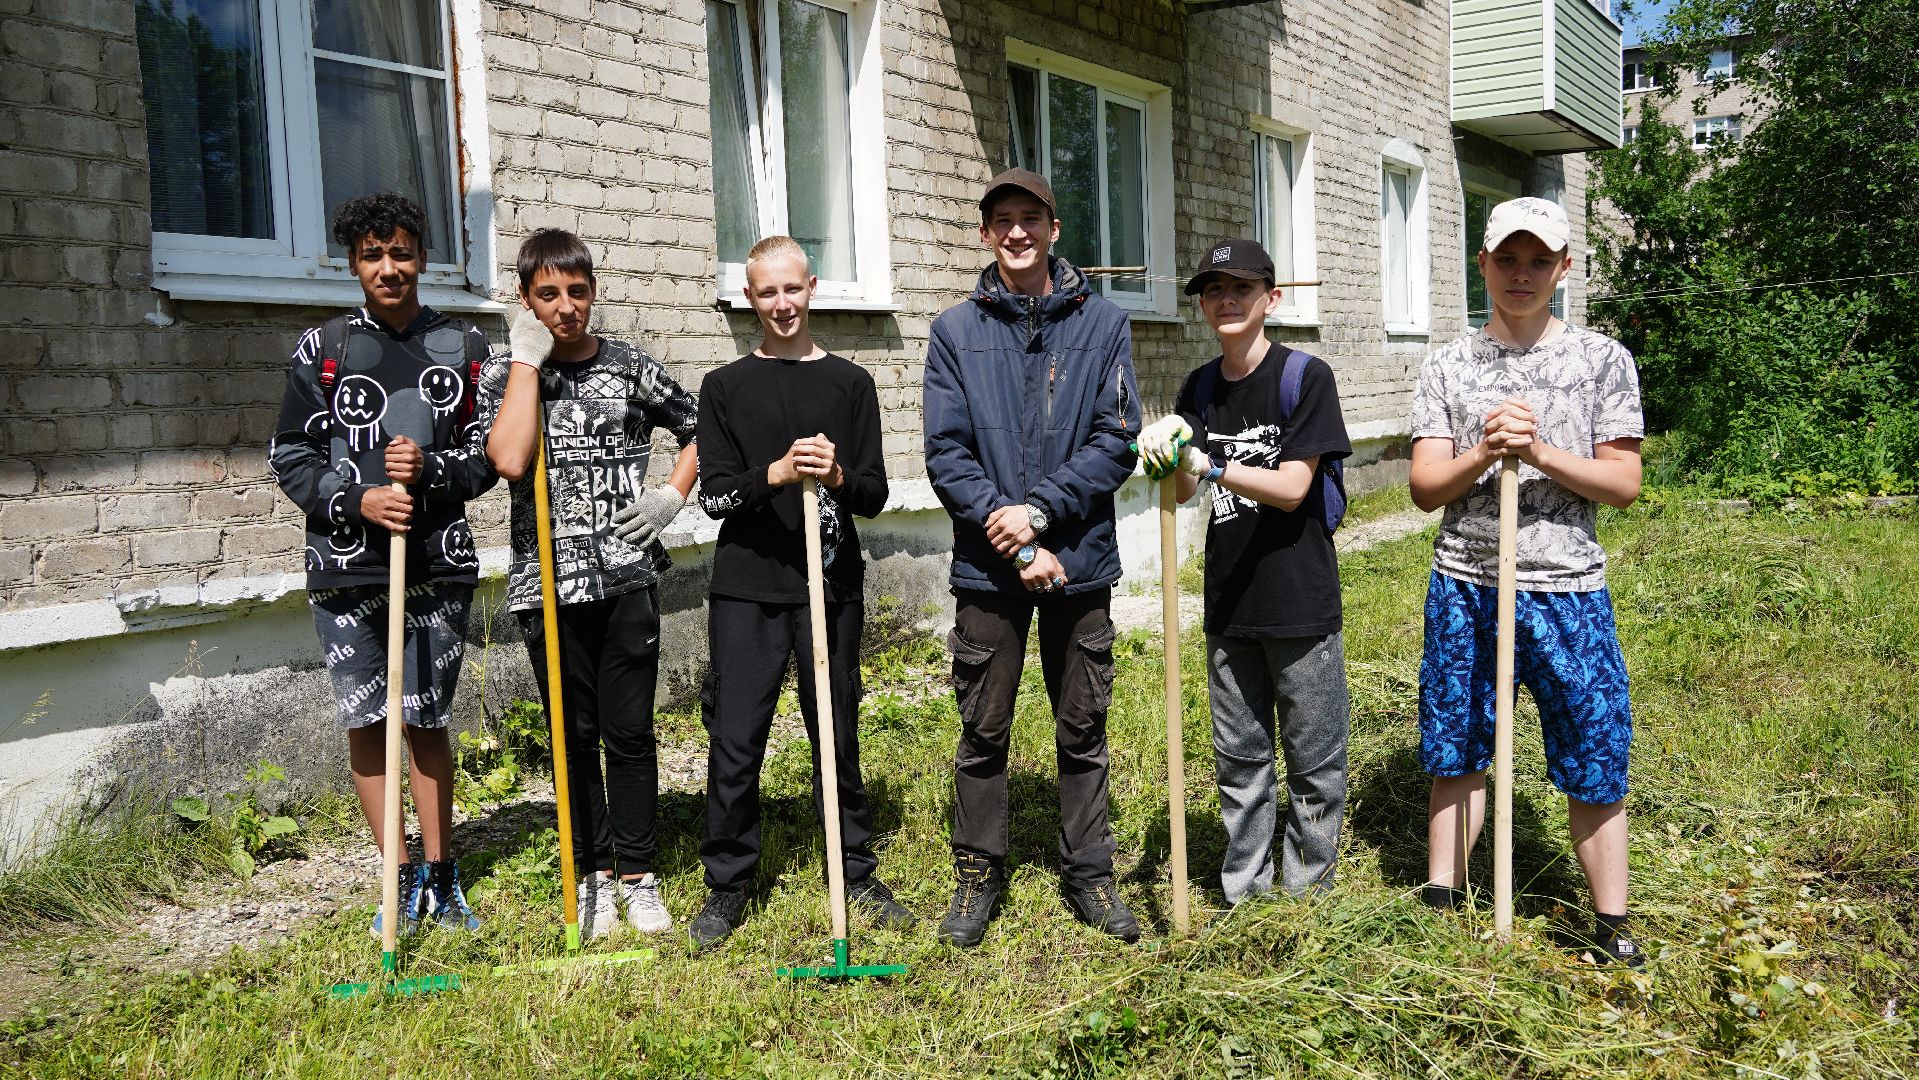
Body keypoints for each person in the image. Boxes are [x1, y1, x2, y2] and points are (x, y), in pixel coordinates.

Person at [1408, 197, 1646, 967]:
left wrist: (1538, 451)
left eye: (1537, 261)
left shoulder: (1602, 359)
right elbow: (1423, 486)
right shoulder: (1448, 363)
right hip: (1467, 583)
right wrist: (1483, 452)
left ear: (1564, 268)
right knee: (1457, 744)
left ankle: (1610, 921)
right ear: (1480, 263)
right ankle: (1443, 900)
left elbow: (1622, 483)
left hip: (1568, 588)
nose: (1520, 274)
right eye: (1505, 259)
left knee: (1594, 742)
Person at [923, 168, 1144, 947]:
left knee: (1081, 726)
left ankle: (1089, 872)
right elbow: (946, 453)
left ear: (1053, 228)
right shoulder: (955, 332)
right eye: (1000, 221)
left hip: (1077, 558)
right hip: (989, 567)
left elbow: (1117, 439)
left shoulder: (1104, 324)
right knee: (983, 729)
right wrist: (1013, 539)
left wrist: (1041, 515)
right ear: (985, 234)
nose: (1015, 232)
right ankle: (978, 875)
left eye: (1029, 218)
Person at [268, 192, 496, 935]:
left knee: (424, 717)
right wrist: (357, 499)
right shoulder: (323, 349)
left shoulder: (463, 349)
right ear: (353, 264)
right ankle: (394, 875)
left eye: (401, 252)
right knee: (367, 720)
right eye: (373, 255)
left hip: (436, 562)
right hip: (344, 568)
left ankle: (439, 874)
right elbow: (290, 453)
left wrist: (430, 470)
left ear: (422, 257)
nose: (389, 268)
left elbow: (488, 459)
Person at [686, 235, 913, 949]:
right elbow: (715, 500)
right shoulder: (724, 387)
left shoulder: (850, 384)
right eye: (765, 293)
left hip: (830, 587)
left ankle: (854, 870)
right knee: (735, 739)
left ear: (811, 288)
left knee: (836, 734)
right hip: (748, 591)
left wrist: (838, 477)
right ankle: (727, 886)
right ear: (748, 299)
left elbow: (873, 495)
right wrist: (776, 475)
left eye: (791, 289)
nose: (781, 305)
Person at [476, 228, 699, 939]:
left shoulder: (630, 368)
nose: (565, 308)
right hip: (544, 584)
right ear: (524, 299)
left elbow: (705, 427)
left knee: (628, 732)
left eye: (576, 292)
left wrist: (671, 494)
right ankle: (592, 875)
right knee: (571, 735)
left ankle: (638, 874)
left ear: (592, 291)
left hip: (625, 577)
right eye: (547, 295)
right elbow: (510, 460)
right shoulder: (503, 374)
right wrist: (525, 363)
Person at [1135, 238, 1353, 905]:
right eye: (1211, 291)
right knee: (1240, 761)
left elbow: (1292, 487)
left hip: (1298, 597)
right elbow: (1179, 496)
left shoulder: (1303, 378)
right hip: (1229, 601)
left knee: (1313, 763)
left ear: (1271, 298)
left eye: (1239, 288)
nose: (1224, 301)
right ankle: (1243, 895)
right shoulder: (1198, 388)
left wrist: (1214, 465)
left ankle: (1304, 896)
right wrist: (1163, 451)